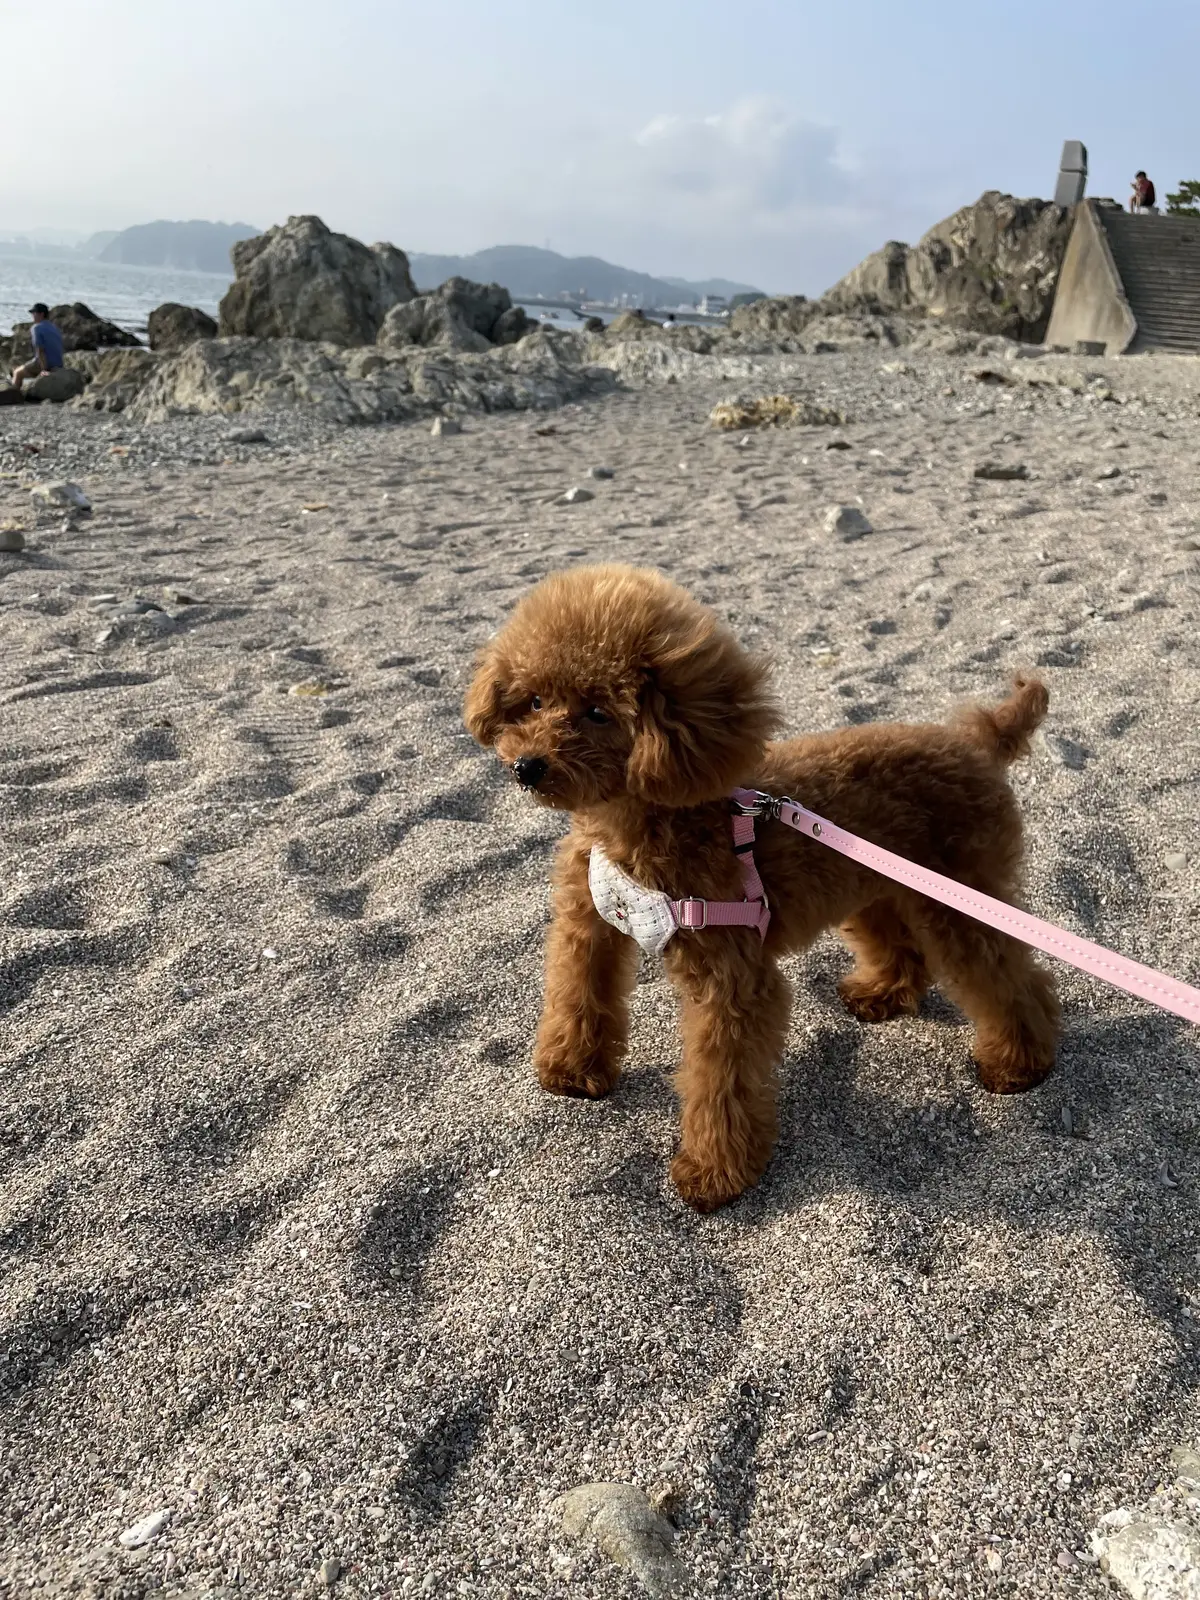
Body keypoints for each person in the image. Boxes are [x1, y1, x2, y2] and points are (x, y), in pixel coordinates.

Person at [11, 303, 64, 391]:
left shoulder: (36, 328)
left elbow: (40, 350)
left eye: (34, 313)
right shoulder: (54, 328)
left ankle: (13, 395)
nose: (32, 316)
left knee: (17, 373)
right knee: (21, 367)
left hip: (46, 364)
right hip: (58, 363)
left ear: (41, 314)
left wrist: (44, 369)